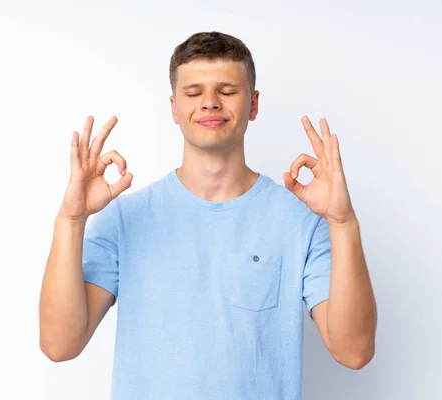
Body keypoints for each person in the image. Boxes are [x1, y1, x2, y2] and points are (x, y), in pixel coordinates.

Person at [39, 31, 377, 399]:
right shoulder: (125, 219)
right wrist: (70, 221)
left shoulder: (301, 223)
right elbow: (59, 345)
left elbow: (354, 352)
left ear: (253, 104)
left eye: (227, 91)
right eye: (194, 92)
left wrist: (343, 224)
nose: (210, 103)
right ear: (173, 108)